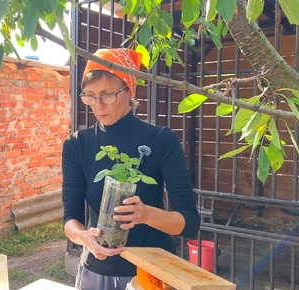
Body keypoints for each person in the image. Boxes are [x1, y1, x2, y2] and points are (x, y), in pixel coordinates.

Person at [62, 48, 201, 290]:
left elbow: (189, 223)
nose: (98, 105)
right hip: (96, 274)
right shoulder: (77, 144)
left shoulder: (161, 140)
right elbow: (70, 219)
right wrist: (85, 238)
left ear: (129, 90)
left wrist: (146, 215)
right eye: (90, 96)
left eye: (107, 94)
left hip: (151, 275)